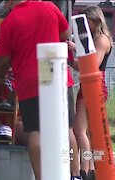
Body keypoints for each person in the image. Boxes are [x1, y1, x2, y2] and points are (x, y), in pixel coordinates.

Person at [0, 0, 82, 179]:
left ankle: (41, 177)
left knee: (36, 130)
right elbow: (66, 32)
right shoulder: (49, 7)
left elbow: (4, 59)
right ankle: (74, 175)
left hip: (30, 78)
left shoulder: (9, 21)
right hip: (55, 70)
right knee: (66, 129)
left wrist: (0, 74)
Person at [68, 5, 113, 180]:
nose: (84, 27)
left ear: (95, 20)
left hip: (94, 85)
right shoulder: (97, 38)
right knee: (88, 132)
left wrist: (73, 52)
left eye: (87, 22)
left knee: (79, 130)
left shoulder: (101, 40)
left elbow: (91, 65)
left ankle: (83, 171)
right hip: (90, 85)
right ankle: (92, 170)